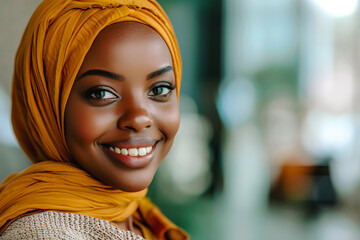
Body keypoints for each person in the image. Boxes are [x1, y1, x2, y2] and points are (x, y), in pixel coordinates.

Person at [0, 0, 188, 239]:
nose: (139, 119)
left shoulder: (139, 216)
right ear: (46, 105)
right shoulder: (42, 234)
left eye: (160, 89)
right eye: (101, 93)